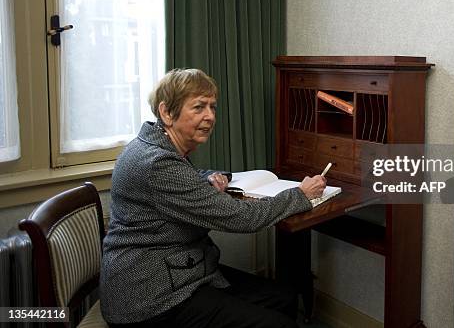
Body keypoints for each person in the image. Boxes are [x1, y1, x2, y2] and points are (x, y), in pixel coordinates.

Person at [100, 68, 326, 328]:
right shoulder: (158, 164)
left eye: (212, 107)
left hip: (176, 271)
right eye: (198, 107)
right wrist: (300, 195)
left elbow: (183, 176)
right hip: (150, 295)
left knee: (283, 296)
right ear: (166, 112)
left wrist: (208, 177)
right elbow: (241, 219)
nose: (210, 116)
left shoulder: (153, 145)